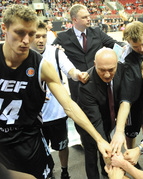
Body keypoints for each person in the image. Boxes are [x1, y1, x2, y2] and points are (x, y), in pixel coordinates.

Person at [0, 4, 111, 179]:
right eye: (20, 33)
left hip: (28, 143)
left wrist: (99, 138)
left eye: (31, 34)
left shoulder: (42, 66)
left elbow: (69, 105)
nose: (27, 40)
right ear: (4, 28)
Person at [30, 20, 89, 179]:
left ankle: (64, 171)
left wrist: (78, 75)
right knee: (39, 150)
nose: (41, 40)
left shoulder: (55, 53)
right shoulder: (23, 56)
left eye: (43, 36)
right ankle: (47, 172)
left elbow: (71, 70)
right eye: (37, 36)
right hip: (34, 117)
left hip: (56, 113)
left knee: (62, 146)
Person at [53, 4, 125, 102]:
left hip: (98, 82)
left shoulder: (97, 32)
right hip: (77, 85)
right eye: (84, 17)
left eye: (88, 16)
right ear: (74, 20)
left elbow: (114, 44)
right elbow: (51, 53)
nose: (89, 19)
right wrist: (56, 50)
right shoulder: (63, 37)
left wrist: (125, 45)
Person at [111, 21, 143, 162]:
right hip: (133, 96)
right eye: (135, 46)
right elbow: (126, 100)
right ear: (129, 43)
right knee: (131, 130)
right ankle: (130, 154)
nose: (142, 48)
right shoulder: (128, 61)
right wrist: (119, 130)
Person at [76, 48, 125, 179]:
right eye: (102, 70)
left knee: (106, 149)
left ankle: (106, 172)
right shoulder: (86, 85)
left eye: (111, 69)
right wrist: (103, 143)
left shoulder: (121, 69)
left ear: (117, 64)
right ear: (95, 64)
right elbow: (95, 120)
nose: (107, 75)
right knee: (92, 155)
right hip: (89, 126)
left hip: (108, 120)